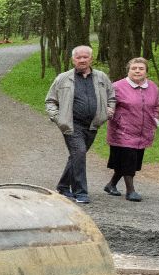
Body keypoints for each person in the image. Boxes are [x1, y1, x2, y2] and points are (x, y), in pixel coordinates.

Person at [44, 44, 116, 204]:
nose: (82, 60)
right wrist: (58, 117)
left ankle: (63, 186)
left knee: (77, 156)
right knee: (80, 153)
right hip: (71, 125)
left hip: (93, 125)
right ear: (73, 60)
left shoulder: (101, 77)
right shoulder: (63, 78)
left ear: (91, 59)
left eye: (85, 57)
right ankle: (80, 192)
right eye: (78, 57)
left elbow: (111, 96)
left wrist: (109, 110)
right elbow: (50, 101)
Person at [104, 57, 159, 202]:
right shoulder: (117, 86)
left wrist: (155, 119)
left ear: (146, 71)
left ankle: (111, 185)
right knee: (128, 161)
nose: (137, 71)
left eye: (141, 68)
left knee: (131, 161)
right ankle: (130, 191)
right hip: (122, 131)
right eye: (134, 68)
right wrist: (115, 118)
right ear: (128, 70)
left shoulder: (152, 87)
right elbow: (108, 105)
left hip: (143, 131)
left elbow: (156, 106)